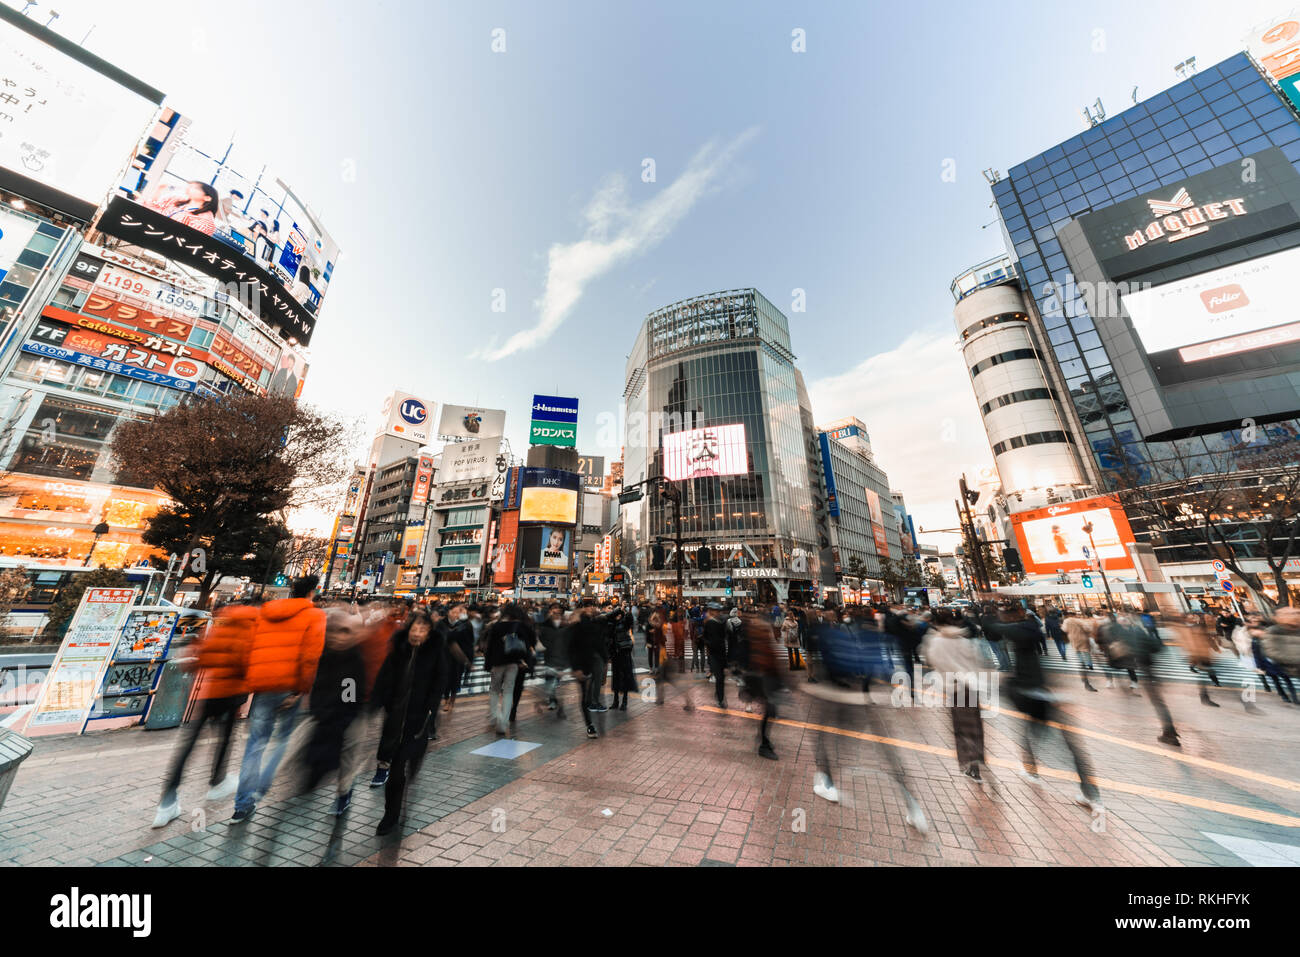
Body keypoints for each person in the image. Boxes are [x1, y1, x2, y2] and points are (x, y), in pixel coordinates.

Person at [988, 603, 1102, 814]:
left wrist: (990, 610)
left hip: (1030, 695)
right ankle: (1092, 794)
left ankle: (1031, 770)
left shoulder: (1016, 632)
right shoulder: (1032, 627)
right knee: (1068, 746)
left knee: (1037, 736)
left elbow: (992, 628)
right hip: (1046, 692)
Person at [151, 600, 256, 828]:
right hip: (231, 694)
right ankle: (217, 782)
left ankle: (166, 803)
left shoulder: (220, 629)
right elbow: (246, 663)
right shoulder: (249, 631)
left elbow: (202, 658)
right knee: (224, 741)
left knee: (187, 747)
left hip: (209, 694)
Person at [231, 576, 326, 823]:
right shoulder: (315, 616)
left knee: (256, 744)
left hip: (263, 685)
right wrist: (300, 690)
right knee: (283, 739)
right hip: (290, 685)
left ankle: (242, 803)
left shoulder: (265, 613)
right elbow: (311, 656)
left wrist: (252, 679)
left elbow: (250, 647)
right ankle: (261, 785)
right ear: (312, 592)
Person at [371, 611, 446, 836]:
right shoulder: (398, 650)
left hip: (418, 718)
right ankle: (390, 815)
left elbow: (440, 679)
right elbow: (383, 678)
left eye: (423, 629)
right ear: (408, 629)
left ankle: (414, 760)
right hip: (395, 718)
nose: (417, 633)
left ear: (430, 633)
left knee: (406, 758)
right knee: (395, 768)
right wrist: (377, 702)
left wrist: (431, 707)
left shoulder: (435, 652)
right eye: (414, 628)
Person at [302, 605, 368, 816]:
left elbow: (351, 695)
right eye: (333, 632)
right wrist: (318, 710)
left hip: (349, 716)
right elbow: (318, 685)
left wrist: (342, 716)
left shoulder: (354, 659)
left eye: (343, 632)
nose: (337, 637)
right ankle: (316, 778)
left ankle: (343, 793)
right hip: (328, 714)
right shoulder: (326, 655)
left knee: (348, 756)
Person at [922, 608, 995, 789]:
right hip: (971, 686)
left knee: (961, 728)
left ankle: (971, 766)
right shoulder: (964, 640)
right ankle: (978, 760)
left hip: (954, 688)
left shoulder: (935, 641)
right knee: (975, 726)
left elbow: (931, 660)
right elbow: (978, 661)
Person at [735, 612, 781, 759]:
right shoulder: (752, 639)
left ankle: (763, 739)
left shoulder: (760, 637)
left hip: (765, 678)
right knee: (770, 710)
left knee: (771, 711)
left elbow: (770, 659)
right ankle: (764, 743)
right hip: (759, 679)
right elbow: (745, 660)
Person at [484, 604, 531, 735]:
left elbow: (490, 647)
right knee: (508, 691)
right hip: (514, 663)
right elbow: (526, 645)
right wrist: (524, 660)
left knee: (494, 689)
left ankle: (495, 716)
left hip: (498, 662)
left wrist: (487, 664)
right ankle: (504, 722)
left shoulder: (497, 626)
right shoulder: (520, 626)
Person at [1062, 610, 1099, 692]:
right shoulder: (1079, 620)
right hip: (1083, 639)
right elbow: (1088, 628)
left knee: (1078, 654)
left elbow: (1064, 630)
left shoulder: (1066, 621)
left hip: (1074, 640)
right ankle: (1089, 665)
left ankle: (1082, 667)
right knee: (1086, 652)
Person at [702, 603, 731, 709]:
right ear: (710, 611)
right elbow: (704, 637)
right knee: (719, 677)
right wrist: (709, 646)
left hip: (721, 653)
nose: (717, 612)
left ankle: (719, 695)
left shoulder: (721, 622)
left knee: (721, 677)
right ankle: (720, 699)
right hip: (714, 654)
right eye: (715, 610)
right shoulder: (709, 623)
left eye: (718, 610)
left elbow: (726, 635)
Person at [609, 604, 636, 711]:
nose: (617, 616)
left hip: (624, 652)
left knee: (625, 676)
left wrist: (624, 609)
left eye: (618, 614)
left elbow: (630, 618)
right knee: (615, 677)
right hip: (615, 653)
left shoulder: (625, 623)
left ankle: (624, 701)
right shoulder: (611, 624)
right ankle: (615, 701)